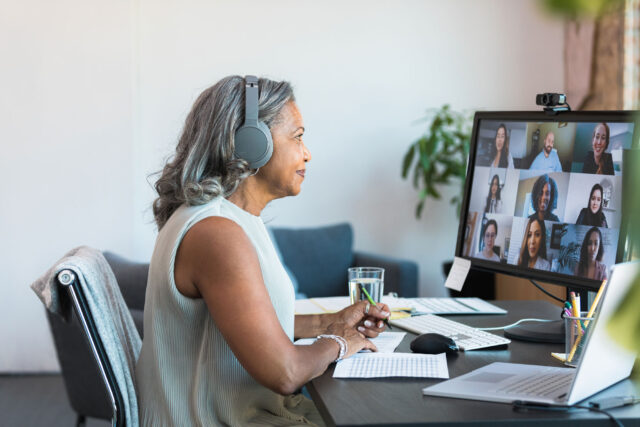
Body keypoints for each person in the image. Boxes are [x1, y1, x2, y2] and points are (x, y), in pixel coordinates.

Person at [136, 76, 390, 426]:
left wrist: (330, 322)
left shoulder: (227, 220)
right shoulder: (217, 235)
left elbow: (252, 328)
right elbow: (285, 372)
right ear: (252, 143)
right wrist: (339, 341)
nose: (307, 153)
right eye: (298, 136)